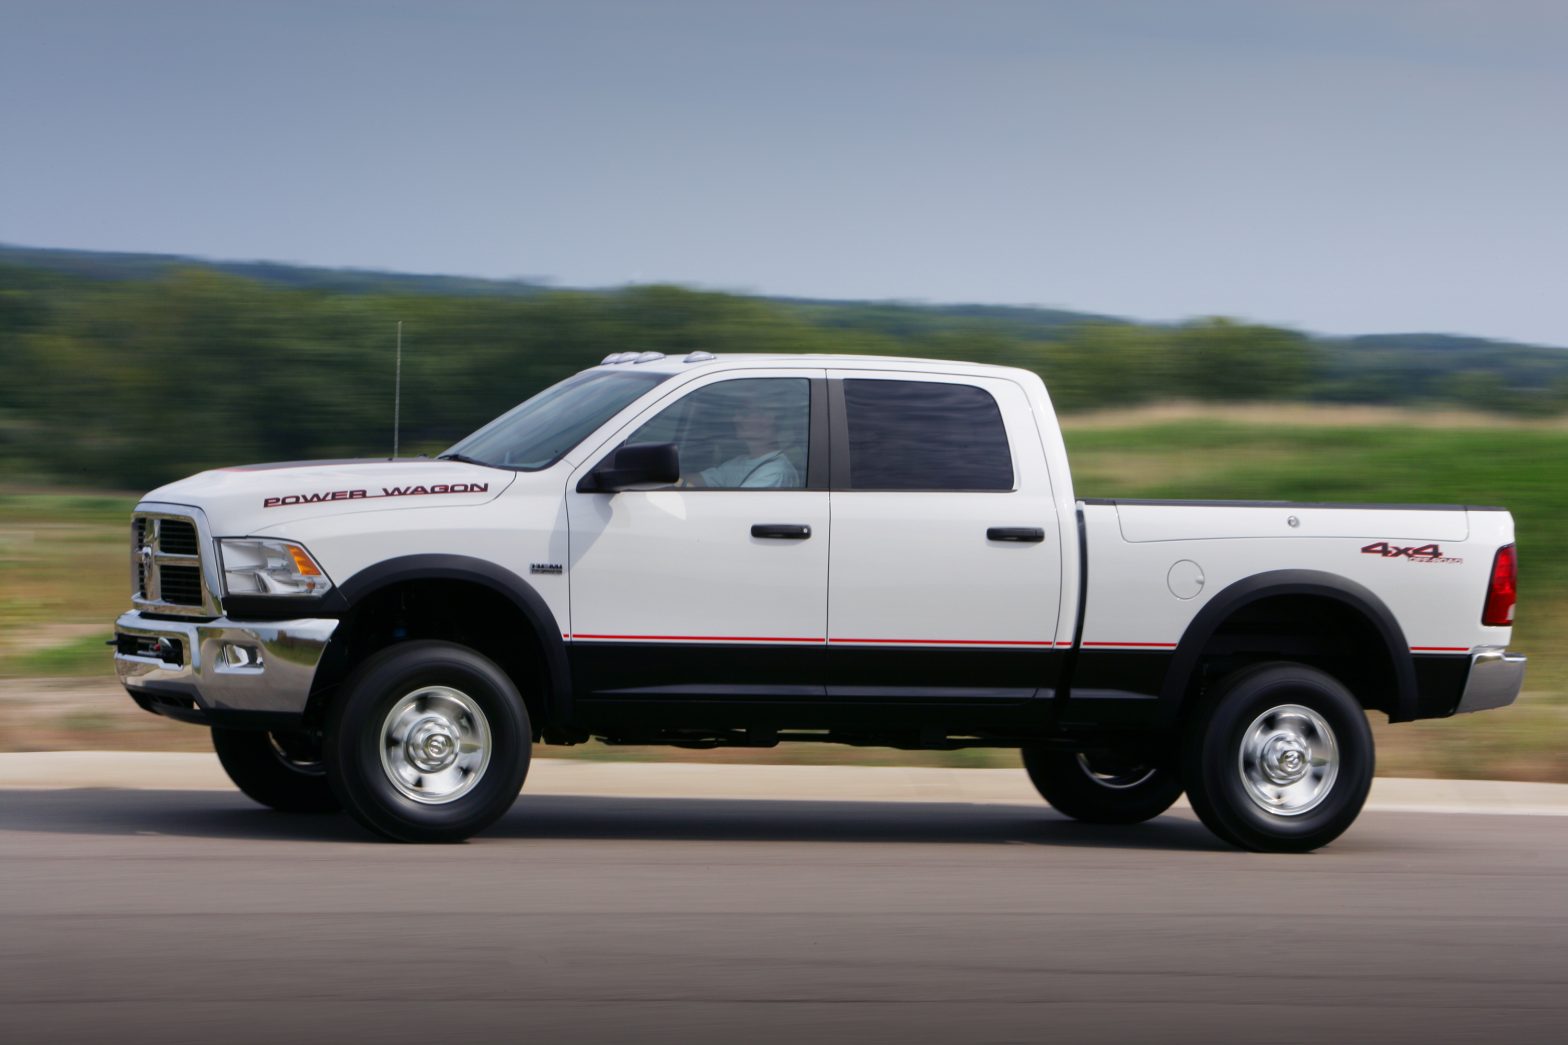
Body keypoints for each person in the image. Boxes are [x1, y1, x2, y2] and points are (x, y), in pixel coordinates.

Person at [685, 404, 800, 488]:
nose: (736, 419)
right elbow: (700, 480)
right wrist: (669, 478)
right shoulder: (740, 462)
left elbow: (737, 510)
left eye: (745, 414)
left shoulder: (775, 473)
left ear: (768, 419)